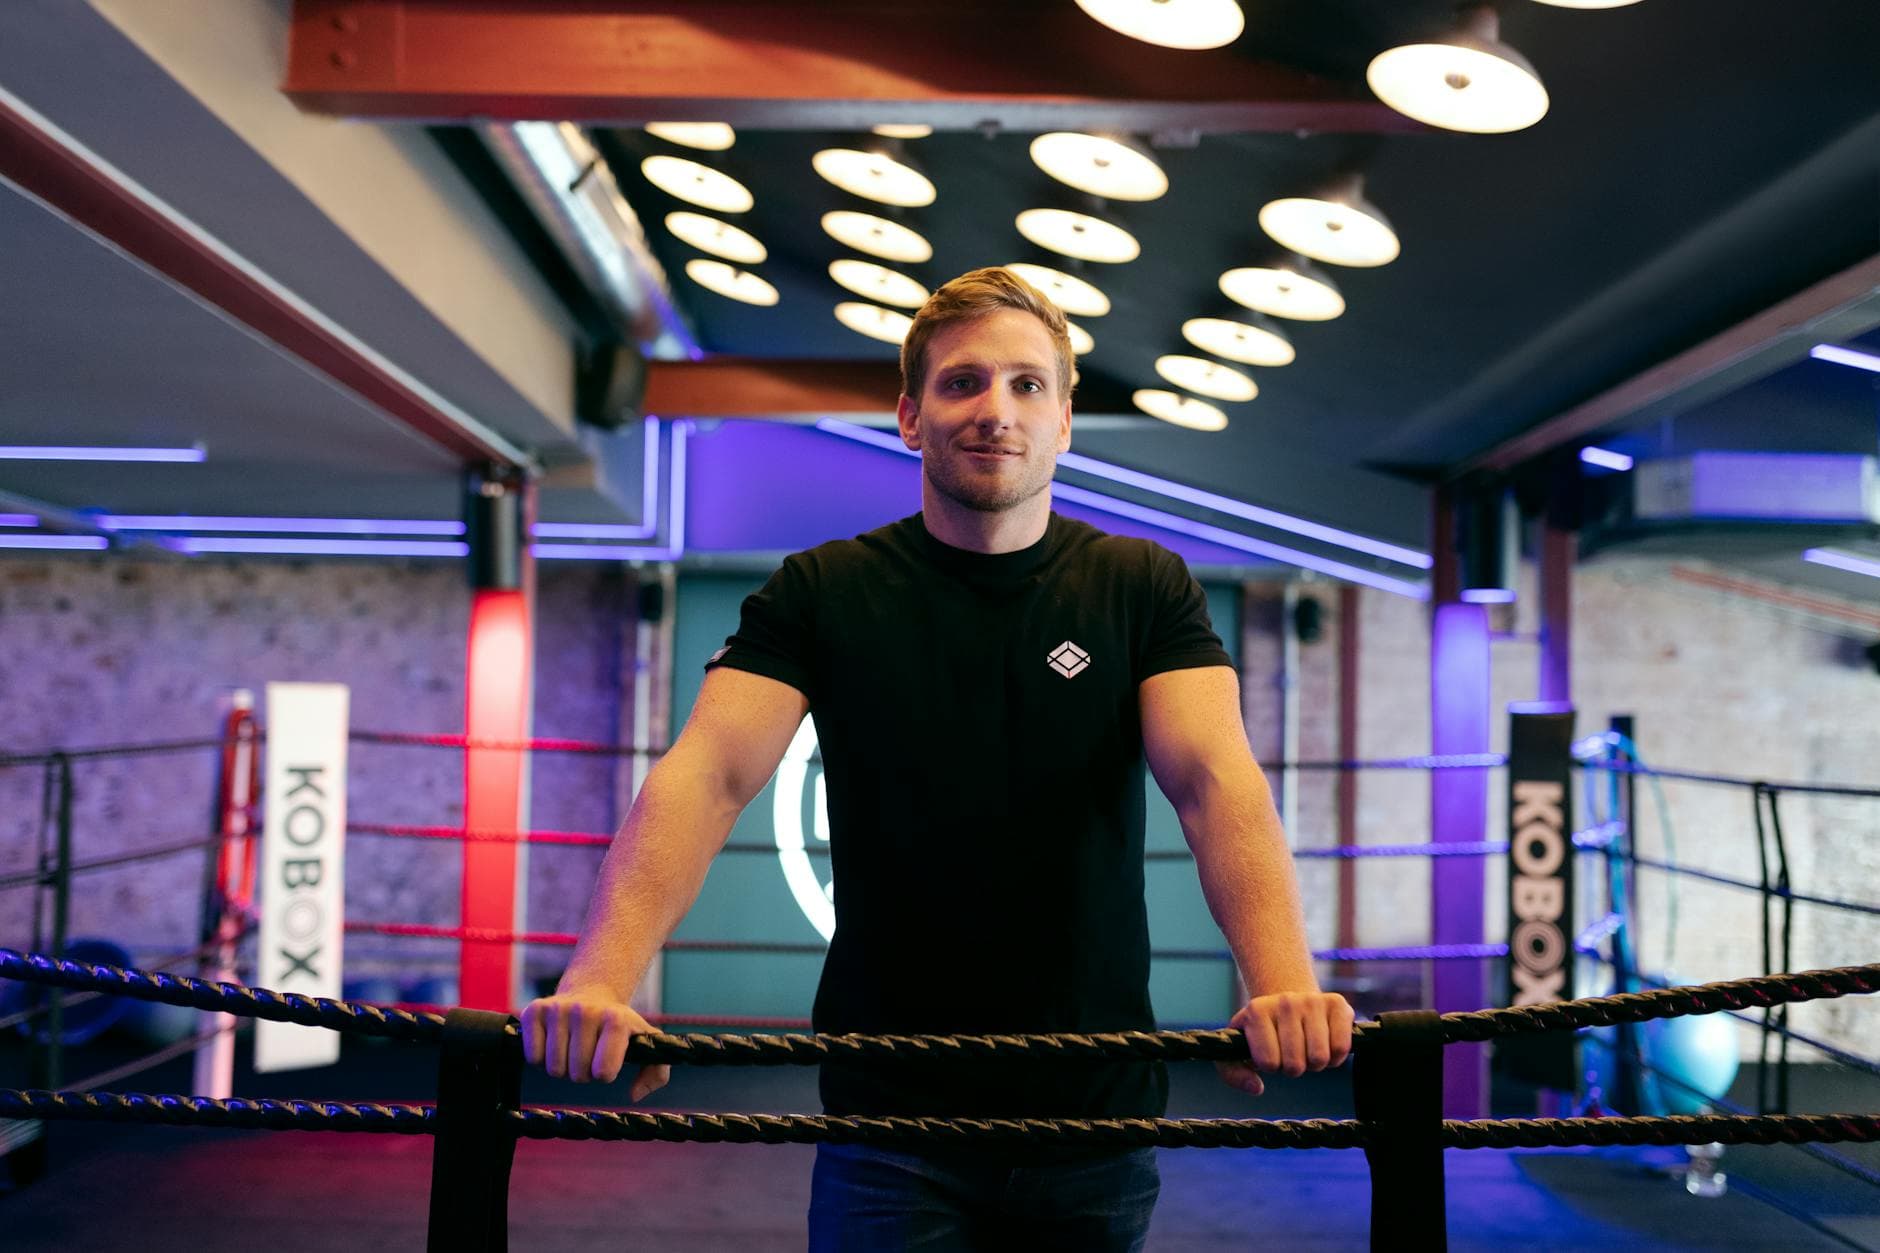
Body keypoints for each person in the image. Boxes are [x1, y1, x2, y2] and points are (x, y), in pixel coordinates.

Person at [522, 266, 1354, 1250]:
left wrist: (1279, 979)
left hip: (1094, 1112)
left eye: (1026, 384)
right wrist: (600, 978)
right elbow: (707, 775)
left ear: (1063, 421)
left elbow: (1214, 782)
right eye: (963, 382)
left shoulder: (1141, 585)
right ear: (911, 417)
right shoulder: (821, 590)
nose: (995, 409)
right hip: (889, 1118)